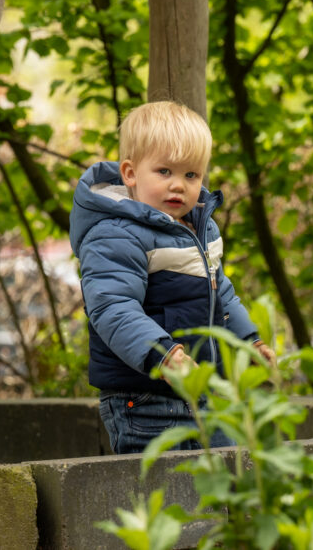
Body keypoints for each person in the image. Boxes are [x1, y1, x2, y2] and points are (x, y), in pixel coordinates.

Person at [69, 101, 275, 454]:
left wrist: (248, 342)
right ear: (130, 173)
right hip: (145, 397)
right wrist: (163, 355)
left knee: (227, 482)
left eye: (191, 175)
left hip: (200, 388)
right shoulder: (116, 234)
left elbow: (221, 295)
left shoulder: (198, 228)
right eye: (164, 172)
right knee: (170, 491)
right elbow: (113, 307)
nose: (178, 185)